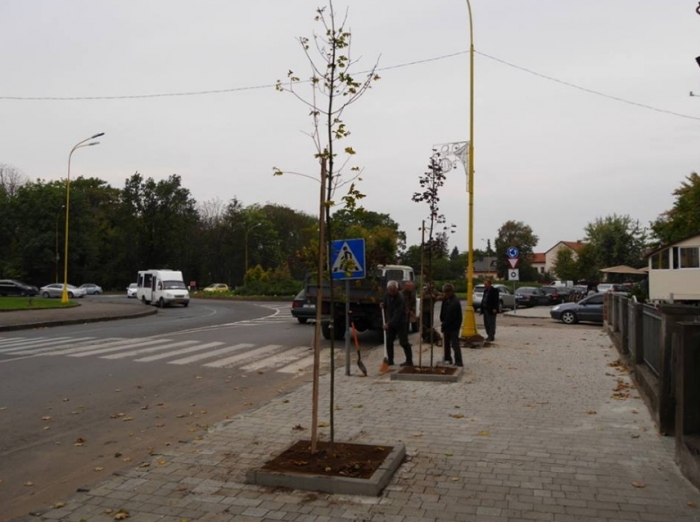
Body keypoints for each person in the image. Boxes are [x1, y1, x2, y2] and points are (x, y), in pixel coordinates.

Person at [381, 280, 413, 366]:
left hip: (401, 322)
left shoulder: (400, 297)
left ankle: (409, 361)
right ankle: (390, 360)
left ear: (397, 289)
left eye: (394, 291)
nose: (392, 293)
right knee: (389, 341)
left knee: (403, 342)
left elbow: (397, 314)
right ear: (388, 289)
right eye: (390, 291)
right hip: (392, 321)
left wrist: (388, 324)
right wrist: (383, 305)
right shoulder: (387, 295)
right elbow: (385, 304)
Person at [439, 283, 463, 366]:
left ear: (450, 292)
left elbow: (450, 317)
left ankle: (459, 361)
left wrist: (443, 325)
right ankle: (447, 358)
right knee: (446, 344)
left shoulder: (454, 302)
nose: (445, 294)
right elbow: (443, 311)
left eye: (446, 292)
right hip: (447, 325)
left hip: (453, 326)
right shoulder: (445, 299)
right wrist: (442, 320)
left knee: (455, 344)